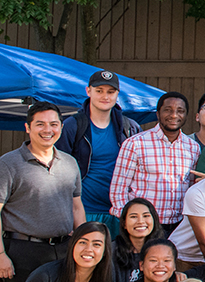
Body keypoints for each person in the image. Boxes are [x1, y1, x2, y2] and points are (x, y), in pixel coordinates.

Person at [0, 101, 86, 282]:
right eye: (40, 124)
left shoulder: (69, 163)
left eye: (54, 124)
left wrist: (82, 242)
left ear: (60, 127)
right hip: (23, 251)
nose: (48, 130)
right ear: (28, 128)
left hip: (63, 248)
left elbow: (76, 206)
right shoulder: (7, 165)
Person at [56, 70, 141, 231]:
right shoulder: (72, 126)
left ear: (117, 94)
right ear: (88, 91)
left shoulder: (130, 128)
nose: (105, 96)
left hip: (120, 212)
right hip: (84, 210)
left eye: (111, 92)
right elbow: (59, 172)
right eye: (99, 91)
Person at [109, 92, 202, 229]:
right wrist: (129, 222)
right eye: (168, 110)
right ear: (158, 114)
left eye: (180, 111)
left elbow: (192, 187)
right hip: (144, 226)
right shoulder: (135, 143)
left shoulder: (193, 147)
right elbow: (119, 189)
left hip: (179, 225)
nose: (174, 115)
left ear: (186, 115)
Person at [112, 198, 164, 282]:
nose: (140, 221)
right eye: (133, 217)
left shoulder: (163, 250)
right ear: (124, 223)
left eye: (146, 216)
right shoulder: (112, 250)